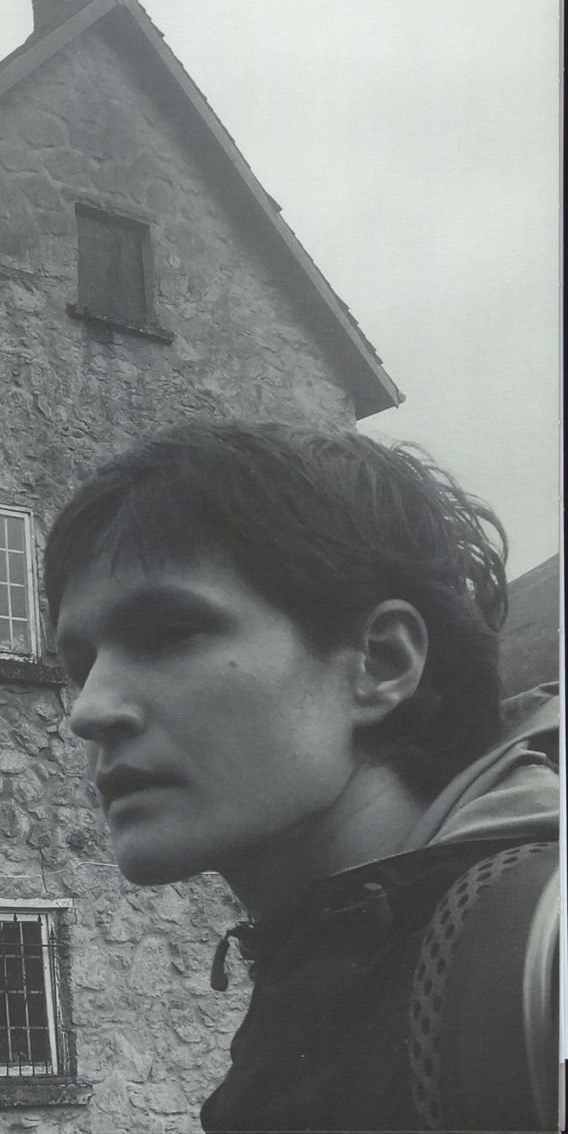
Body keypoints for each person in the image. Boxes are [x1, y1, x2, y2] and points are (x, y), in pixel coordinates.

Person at [44, 420, 559, 1132]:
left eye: (168, 634)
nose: (89, 711)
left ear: (380, 662)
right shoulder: (324, 977)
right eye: (81, 667)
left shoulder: (541, 967)